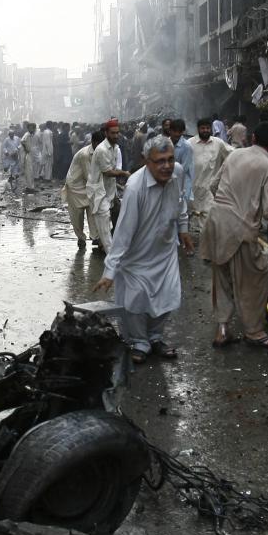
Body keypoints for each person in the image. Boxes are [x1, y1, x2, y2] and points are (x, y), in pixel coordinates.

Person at [93, 135, 194, 363]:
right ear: (146, 161)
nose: (166, 166)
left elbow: (181, 202)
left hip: (165, 250)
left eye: (170, 159)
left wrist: (184, 228)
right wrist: (110, 271)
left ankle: (155, 337)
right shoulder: (135, 187)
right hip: (137, 256)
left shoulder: (176, 172)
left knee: (168, 295)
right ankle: (139, 341)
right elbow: (123, 232)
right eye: (160, 161)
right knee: (136, 301)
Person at [201, 122, 268, 348]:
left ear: (252, 138)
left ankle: (222, 329)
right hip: (240, 229)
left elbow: (213, 185)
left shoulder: (235, 155)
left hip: (216, 222)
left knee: (221, 278)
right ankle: (255, 332)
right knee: (256, 278)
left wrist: (228, 203)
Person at [87, 118, 130, 253]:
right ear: (106, 133)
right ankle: (112, 257)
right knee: (104, 229)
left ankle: (113, 252)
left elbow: (115, 168)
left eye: (117, 133)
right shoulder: (102, 150)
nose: (116, 136)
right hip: (99, 192)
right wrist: (125, 173)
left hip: (110, 191)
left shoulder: (115, 148)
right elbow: (108, 172)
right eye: (113, 133)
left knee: (117, 217)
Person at [62, 130, 104, 249]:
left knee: (93, 211)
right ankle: (81, 238)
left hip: (88, 186)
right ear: (93, 142)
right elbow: (89, 175)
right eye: (99, 144)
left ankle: (95, 237)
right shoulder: (85, 154)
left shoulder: (99, 152)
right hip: (75, 187)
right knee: (77, 216)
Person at [191, 117, 233, 235]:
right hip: (194, 186)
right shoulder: (190, 144)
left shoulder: (218, 143)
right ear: (198, 129)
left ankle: (207, 241)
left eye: (207, 128)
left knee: (209, 216)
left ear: (211, 129)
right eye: (203, 128)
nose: (205, 130)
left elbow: (232, 153)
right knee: (195, 217)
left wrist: (246, 154)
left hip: (210, 187)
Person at [168, 119, 194, 217]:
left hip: (182, 184)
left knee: (181, 214)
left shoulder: (187, 147)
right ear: (170, 131)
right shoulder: (166, 143)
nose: (177, 134)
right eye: (175, 131)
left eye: (180, 131)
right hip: (168, 183)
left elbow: (183, 168)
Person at [20, 122, 37, 193]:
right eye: (30, 127)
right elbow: (22, 141)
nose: (32, 129)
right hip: (28, 155)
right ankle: (30, 188)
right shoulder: (27, 134)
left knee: (31, 172)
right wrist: (26, 149)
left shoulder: (32, 135)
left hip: (31, 154)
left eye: (33, 128)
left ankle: (30, 187)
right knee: (29, 171)